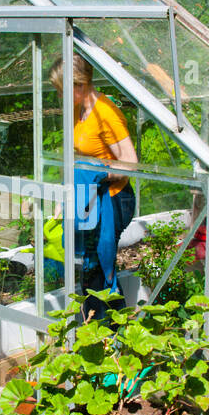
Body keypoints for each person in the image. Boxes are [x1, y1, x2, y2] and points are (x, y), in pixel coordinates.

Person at [48, 53, 138, 319]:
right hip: (87, 197)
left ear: (79, 84)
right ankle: (100, 329)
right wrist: (66, 194)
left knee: (98, 267)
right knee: (90, 267)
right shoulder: (78, 109)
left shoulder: (107, 113)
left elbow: (131, 163)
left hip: (112, 199)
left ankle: (110, 332)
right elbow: (77, 157)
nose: (60, 96)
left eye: (62, 90)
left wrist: (97, 174)